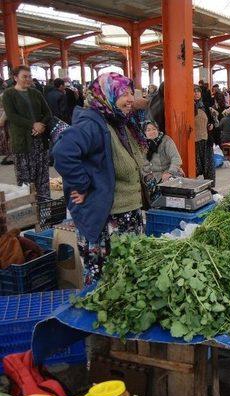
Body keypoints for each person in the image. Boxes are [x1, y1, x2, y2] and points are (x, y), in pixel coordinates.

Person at [53, 72, 147, 284]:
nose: (130, 98)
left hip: (128, 215)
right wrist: (82, 184)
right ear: (106, 95)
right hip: (108, 221)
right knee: (107, 285)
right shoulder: (93, 124)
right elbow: (63, 153)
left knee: (129, 282)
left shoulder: (119, 122)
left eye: (131, 92)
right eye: (123, 93)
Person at [2, 65, 52, 197]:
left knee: (42, 178)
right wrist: (33, 125)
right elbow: (12, 116)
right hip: (22, 143)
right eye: (24, 76)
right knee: (25, 180)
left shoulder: (36, 93)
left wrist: (41, 125)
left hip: (40, 141)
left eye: (29, 76)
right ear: (15, 78)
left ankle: (45, 209)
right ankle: (29, 211)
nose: (28, 79)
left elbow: (48, 113)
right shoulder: (8, 94)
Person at [193, 85, 214, 181]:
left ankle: (209, 184)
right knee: (196, 165)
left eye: (198, 91)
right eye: (194, 91)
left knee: (208, 164)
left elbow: (212, 120)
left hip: (206, 138)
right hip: (194, 139)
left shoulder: (205, 105)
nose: (196, 93)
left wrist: (211, 124)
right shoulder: (188, 105)